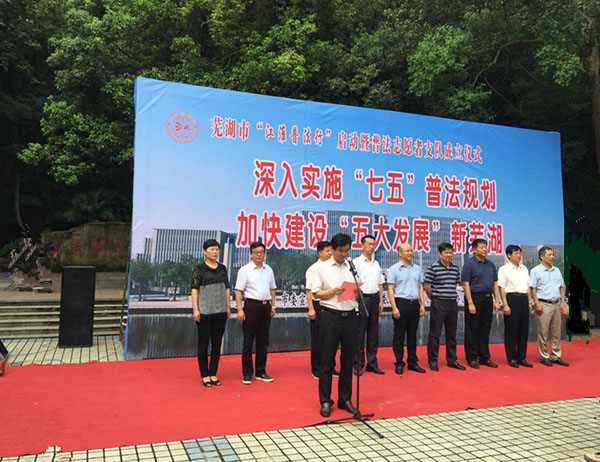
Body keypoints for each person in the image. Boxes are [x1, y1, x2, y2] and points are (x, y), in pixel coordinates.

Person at [312, 233, 359, 418]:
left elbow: (358, 288)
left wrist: (356, 290)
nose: (344, 254)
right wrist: (333, 291)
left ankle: (345, 399)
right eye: (341, 251)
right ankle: (325, 400)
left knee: (348, 360)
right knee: (327, 360)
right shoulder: (322, 268)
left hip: (350, 316)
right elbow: (316, 293)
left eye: (347, 250)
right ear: (332, 249)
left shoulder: (351, 266)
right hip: (330, 316)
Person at [235, 241, 277, 384]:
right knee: (248, 341)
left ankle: (261, 371)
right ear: (251, 254)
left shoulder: (268, 269)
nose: (259, 255)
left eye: (262, 252)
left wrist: (273, 306)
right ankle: (247, 373)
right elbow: (238, 291)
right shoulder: (244, 270)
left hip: (266, 307)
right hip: (251, 307)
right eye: (256, 252)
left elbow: (272, 289)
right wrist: (240, 309)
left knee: (263, 341)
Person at [191, 239, 231, 387]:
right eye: (211, 249)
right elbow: (194, 290)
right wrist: (196, 309)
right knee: (203, 344)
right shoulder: (199, 269)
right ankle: (204, 374)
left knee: (217, 343)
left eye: (217, 249)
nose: (215, 252)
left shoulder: (222, 268)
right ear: (204, 251)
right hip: (205, 311)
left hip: (220, 311)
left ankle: (213, 373)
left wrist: (228, 307)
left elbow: (227, 288)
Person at [424, 243, 465, 372]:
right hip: (439, 302)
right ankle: (433, 360)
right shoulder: (433, 268)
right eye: (446, 253)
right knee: (435, 333)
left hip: (452, 303)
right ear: (440, 254)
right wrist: (436, 298)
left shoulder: (455, 268)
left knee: (451, 334)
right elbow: (427, 287)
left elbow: (455, 285)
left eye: (450, 253)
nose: (449, 255)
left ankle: (452, 360)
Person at [387, 243, 426, 375]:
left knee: (412, 334)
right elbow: (390, 289)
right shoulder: (393, 269)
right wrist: (394, 307)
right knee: (399, 335)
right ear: (400, 253)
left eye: (411, 251)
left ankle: (412, 362)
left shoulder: (417, 269)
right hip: (401, 303)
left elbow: (420, 287)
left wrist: (422, 304)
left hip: (414, 304)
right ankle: (399, 362)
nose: (410, 253)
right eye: (407, 251)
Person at [461, 238, 501, 369]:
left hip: (488, 299)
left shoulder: (490, 264)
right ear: (474, 249)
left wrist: (497, 301)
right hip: (475, 298)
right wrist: (470, 303)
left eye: (486, 247)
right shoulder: (469, 264)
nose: (485, 249)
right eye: (482, 247)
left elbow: (495, 283)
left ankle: (484, 357)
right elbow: (466, 284)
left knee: (485, 329)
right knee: (472, 329)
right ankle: (472, 357)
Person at [530, 246, 570, 366]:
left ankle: (555, 355)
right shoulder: (535, 271)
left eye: (553, 254)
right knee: (543, 332)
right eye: (549, 255)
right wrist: (536, 303)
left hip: (556, 303)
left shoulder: (556, 270)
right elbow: (532, 288)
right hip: (543, 303)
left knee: (556, 332)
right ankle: (544, 356)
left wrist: (562, 302)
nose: (553, 257)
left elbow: (562, 286)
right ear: (542, 257)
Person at [305, 240, 338, 379]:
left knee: (331, 339)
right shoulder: (314, 269)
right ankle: (316, 368)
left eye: (331, 250)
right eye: (327, 251)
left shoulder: (333, 268)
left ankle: (330, 367)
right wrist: (311, 309)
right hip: (318, 306)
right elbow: (309, 291)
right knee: (318, 339)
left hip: (332, 306)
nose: (330, 253)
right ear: (320, 253)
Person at [353, 235, 385, 375]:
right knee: (359, 333)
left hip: (374, 299)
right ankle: (358, 364)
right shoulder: (357, 262)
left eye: (373, 244)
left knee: (373, 333)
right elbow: (353, 284)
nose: (372, 247)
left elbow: (380, 283)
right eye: (369, 244)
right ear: (362, 245)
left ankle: (372, 363)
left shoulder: (376, 263)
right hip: (362, 299)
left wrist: (381, 301)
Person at [498, 245, 533, 368]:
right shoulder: (504, 269)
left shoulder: (524, 268)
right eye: (516, 253)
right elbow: (502, 288)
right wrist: (505, 304)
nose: (519, 256)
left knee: (523, 330)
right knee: (511, 330)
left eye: (520, 253)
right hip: (511, 299)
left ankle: (521, 357)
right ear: (509, 255)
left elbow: (528, 286)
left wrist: (530, 302)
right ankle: (512, 357)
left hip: (523, 299)